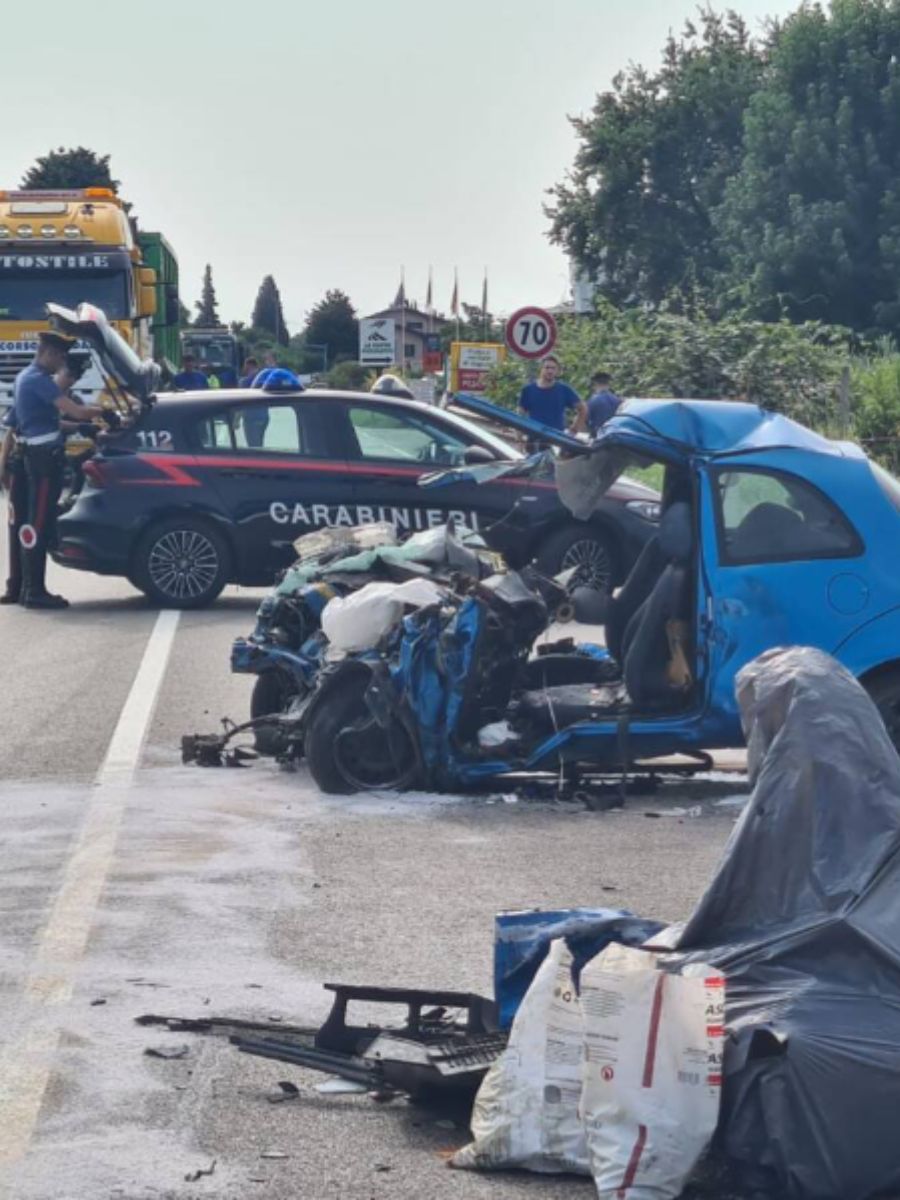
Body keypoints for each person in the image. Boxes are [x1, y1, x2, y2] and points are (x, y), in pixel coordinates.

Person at [12, 332, 108, 609]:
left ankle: (28, 588)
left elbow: (52, 423)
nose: (61, 364)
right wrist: (103, 412)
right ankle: (34, 591)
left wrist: (81, 427)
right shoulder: (38, 381)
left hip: (39, 455)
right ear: (49, 353)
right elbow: (75, 411)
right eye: (61, 357)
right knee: (39, 523)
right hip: (43, 461)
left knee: (37, 520)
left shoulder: (26, 377)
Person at [518, 355, 585, 435]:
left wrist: (574, 430)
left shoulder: (563, 390)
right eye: (547, 367)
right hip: (533, 439)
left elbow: (583, 409)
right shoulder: (528, 390)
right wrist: (519, 437)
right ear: (541, 369)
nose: (550, 371)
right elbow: (520, 416)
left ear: (557, 371)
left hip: (556, 439)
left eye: (553, 368)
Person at [584, 370, 621, 435]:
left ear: (595, 384)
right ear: (608, 384)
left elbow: (585, 419)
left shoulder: (592, 400)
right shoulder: (617, 400)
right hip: (615, 434)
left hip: (598, 436)